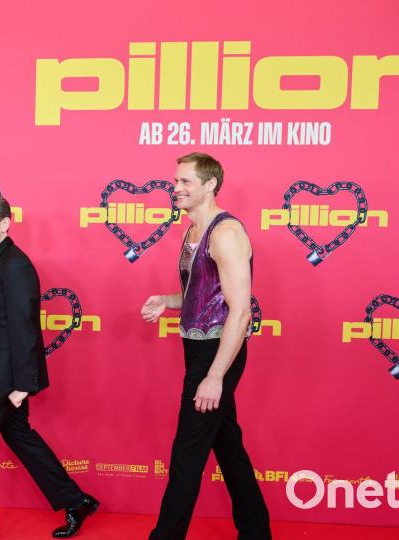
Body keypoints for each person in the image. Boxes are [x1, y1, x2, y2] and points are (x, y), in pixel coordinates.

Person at [0, 194, 98, 540]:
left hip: (2, 379)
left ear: (4, 224)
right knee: (20, 437)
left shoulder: (15, 265)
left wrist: (23, 384)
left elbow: (24, 327)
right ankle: (76, 501)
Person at [140, 153, 271, 539]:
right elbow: (200, 294)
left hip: (218, 353)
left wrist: (215, 376)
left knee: (187, 454)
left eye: (185, 183)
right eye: (176, 181)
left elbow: (241, 311)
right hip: (197, 350)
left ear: (210, 185)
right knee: (227, 446)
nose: (175, 189)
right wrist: (166, 300)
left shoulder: (225, 233)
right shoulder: (191, 230)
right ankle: (256, 531)